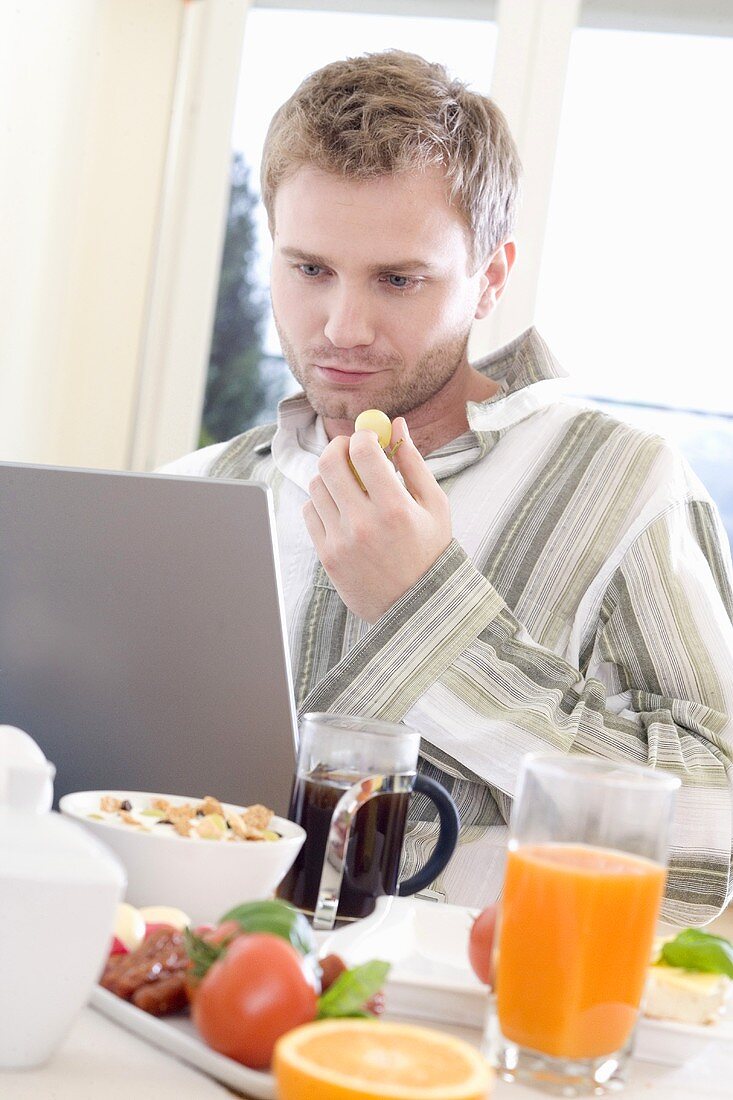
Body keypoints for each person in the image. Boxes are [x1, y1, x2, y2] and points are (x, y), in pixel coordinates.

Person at [162, 50, 733, 924]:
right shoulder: (195, 492)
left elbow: (712, 836)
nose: (341, 328)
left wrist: (424, 611)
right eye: (308, 269)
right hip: (180, 999)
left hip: (461, 1040)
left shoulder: (627, 486)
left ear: (491, 278)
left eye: (398, 279)